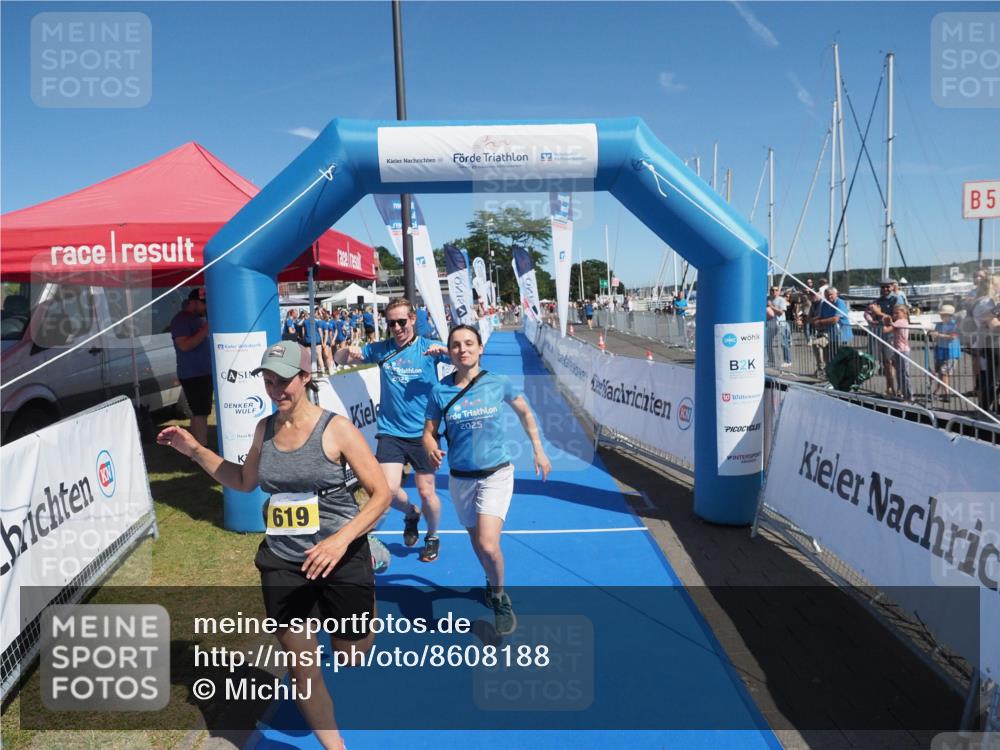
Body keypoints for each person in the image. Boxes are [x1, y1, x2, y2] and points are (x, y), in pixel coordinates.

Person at [157, 342, 391, 750]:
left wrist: (341, 541)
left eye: (284, 380)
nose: (276, 389)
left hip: (340, 553)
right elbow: (244, 481)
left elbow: (381, 494)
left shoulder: (335, 429)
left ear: (305, 378)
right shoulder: (264, 429)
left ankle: (369, 559)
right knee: (302, 666)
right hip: (283, 560)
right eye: (268, 381)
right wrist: (194, 450)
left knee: (352, 653)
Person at [422, 325, 551, 635]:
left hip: (496, 474)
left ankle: (499, 596)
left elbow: (525, 412)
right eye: (455, 345)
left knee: (488, 544)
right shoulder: (439, 391)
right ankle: (491, 580)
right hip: (460, 479)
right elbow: (428, 431)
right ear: (449, 352)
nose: (462, 349)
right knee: (478, 547)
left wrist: (538, 450)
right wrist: (429, 444)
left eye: (468, 343)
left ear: (480, 348)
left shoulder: (497, 383)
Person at [334, 298, 448, 562]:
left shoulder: (428, 348)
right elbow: (341, 360)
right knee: (385, 490)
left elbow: (466, 358)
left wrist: (447, 352)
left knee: (427, 492)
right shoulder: (381, 349)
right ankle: (410, 513)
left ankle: (432, 535)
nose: (397, 328)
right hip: (390, 432)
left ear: (413, 321)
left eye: (401, 322)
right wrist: (345, 351)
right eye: (391, 323)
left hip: (424, 434)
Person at [170, 287, 212, 445]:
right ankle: (201, 451)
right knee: (200, 412)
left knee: (199, 412)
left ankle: (196, 448)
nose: (206, 307)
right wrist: (206, 328)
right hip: (193, 374)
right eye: (203, 303)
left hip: (201, 372)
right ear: (193, 302)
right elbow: (184, 346)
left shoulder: (196, 318)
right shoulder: (181, 320)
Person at [880, 304, 913, 402]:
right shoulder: (898, 322)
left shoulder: (902, 321)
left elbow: (886, 328)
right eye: (894, 313)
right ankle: (903, 394)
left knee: (904, 374)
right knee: (899, 374)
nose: (895, 315)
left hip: (903, 351)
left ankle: (909, 396)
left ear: (904, 313)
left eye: (897, 313)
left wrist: (881, 315)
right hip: (898, 351)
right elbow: (886, 329)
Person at [930, 304, 961, 402]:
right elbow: (934, 334)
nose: (942, 316)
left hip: (950, 352)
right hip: (940, 350)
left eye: (944, 315)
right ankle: (937, 391)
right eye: (941, 314)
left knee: (944, 373)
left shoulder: (954, 324)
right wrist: (931, 333)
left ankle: (946, 394)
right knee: (940, 373)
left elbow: (953, 336)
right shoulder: (939, 324)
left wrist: (938, 335)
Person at [766, 285, 792, 368]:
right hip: (770, 324)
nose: (774, 292)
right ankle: (771, 361)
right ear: (770, 291)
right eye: (772, 290)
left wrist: (771, 306)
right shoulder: (767, 299)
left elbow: (780, 312)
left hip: (781, 324)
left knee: (783, 343)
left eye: (776, 290)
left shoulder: (781, 300)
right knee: (768, 343)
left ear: (779, 291)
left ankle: (787, 361)